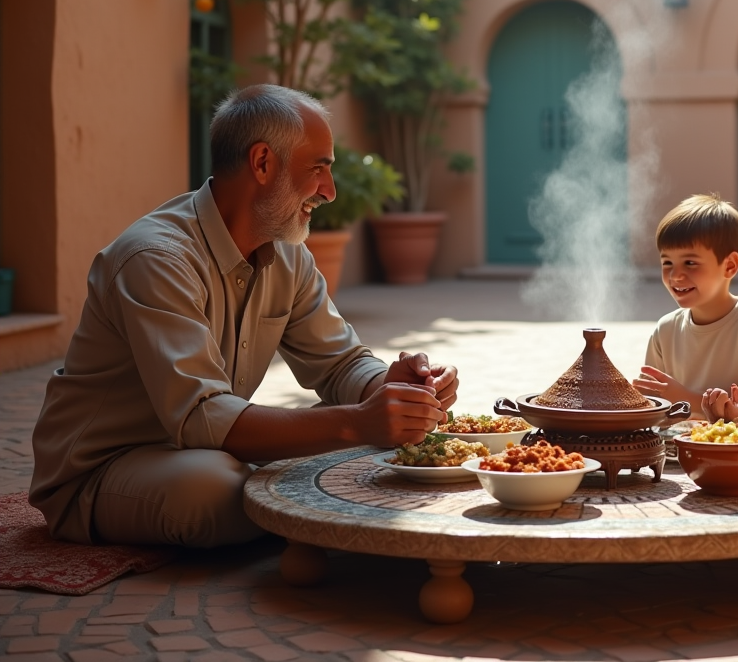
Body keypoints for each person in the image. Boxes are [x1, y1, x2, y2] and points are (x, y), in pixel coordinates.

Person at [30, 84, 458, 548]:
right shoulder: (155, 257)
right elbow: (202, 416)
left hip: (209, 449)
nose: (330, 192)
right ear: (262, 163)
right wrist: (358, 423)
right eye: (318, 169)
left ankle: (281, 488)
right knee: (213, 489)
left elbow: (340, 364)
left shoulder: (287, 255)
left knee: (343, 442)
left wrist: (392, 389)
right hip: (102, 471)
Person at [633, 194, 738, 421]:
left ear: (729, 266)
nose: (676, 275)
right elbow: (654, 405)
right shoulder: (665, 330)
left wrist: (688, 398)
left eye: (690, 263)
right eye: (667, 263)